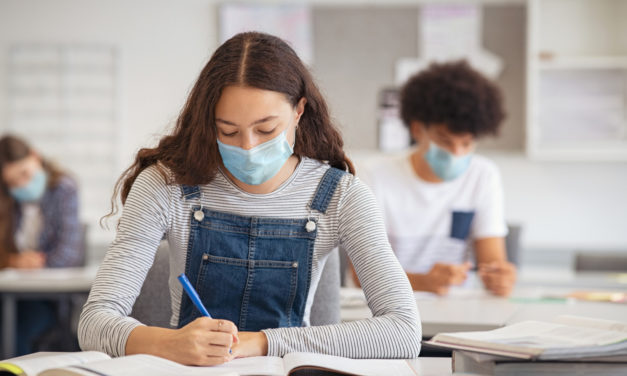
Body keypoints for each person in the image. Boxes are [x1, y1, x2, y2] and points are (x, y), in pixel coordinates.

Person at [78, 32, 421, 366]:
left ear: (299, 110)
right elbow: (94, 323)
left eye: (266, 130)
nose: (248, 147)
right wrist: (169, 344)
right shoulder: (164, 185)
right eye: (228, 131)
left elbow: (403, 331)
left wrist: (262, 342)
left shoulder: (342, 196)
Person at [358, 61, 516, 297]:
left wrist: (500, 278)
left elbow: (492, 263)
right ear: (417, 130)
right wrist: (423, 281)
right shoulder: (373, 176)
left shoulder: (483, 176)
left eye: (466, 143)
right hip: (388, 311)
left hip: (456, 313)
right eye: (445, 140)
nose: (457, 153)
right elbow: (360, 275)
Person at [0, 134, 83, 355]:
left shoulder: (64, 189)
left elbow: (68, 254)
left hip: (47, 298)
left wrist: (35, 262)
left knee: (17, 332)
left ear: (35, 157)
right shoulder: (8, 201)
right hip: (10, 293)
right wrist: (14, 261)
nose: (21, 185)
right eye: (12, 182)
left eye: (24, 174)